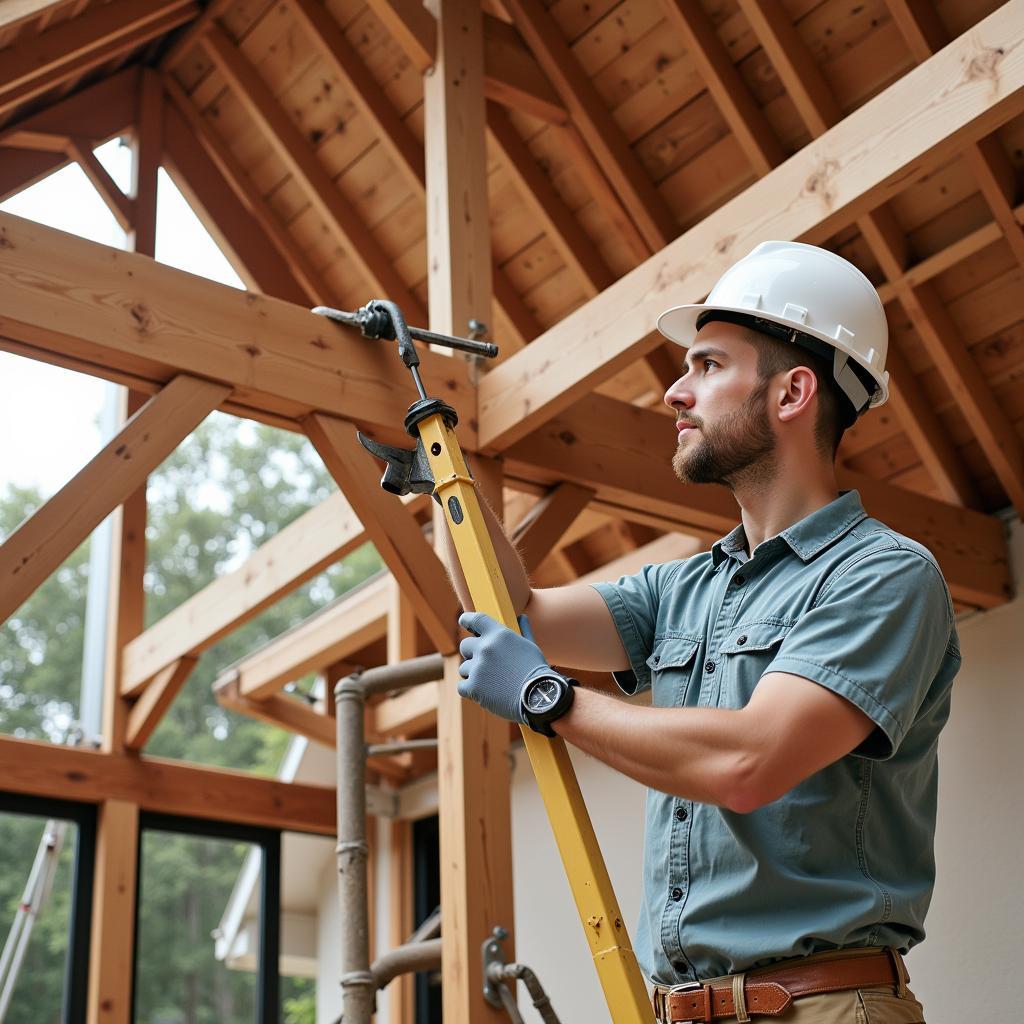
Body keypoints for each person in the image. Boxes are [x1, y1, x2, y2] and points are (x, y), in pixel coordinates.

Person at [444, 241, 959, 1024]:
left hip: (820, 1008)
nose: (675, 393)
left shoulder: (883, 575)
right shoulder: (685, 586)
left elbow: (751, 760)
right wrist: (439, 465)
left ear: (791, 393)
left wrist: (548, 699)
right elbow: (522, 616)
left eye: (709, 366)